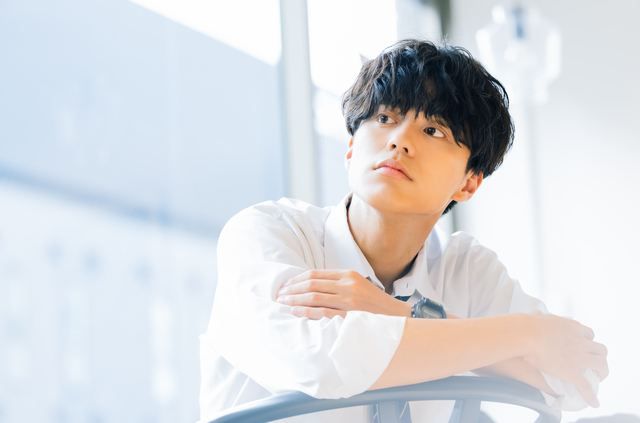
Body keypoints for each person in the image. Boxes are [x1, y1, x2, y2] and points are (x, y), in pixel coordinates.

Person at [198, 39, 608, 423]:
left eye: (434, 131)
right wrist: (521, 335)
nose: (398, 141)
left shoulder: (465, 266)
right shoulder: (269, 233)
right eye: (384, 118)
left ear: (468, 183)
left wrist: (396, 311)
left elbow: (578, 379)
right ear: (350, 149)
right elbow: (322, 364)